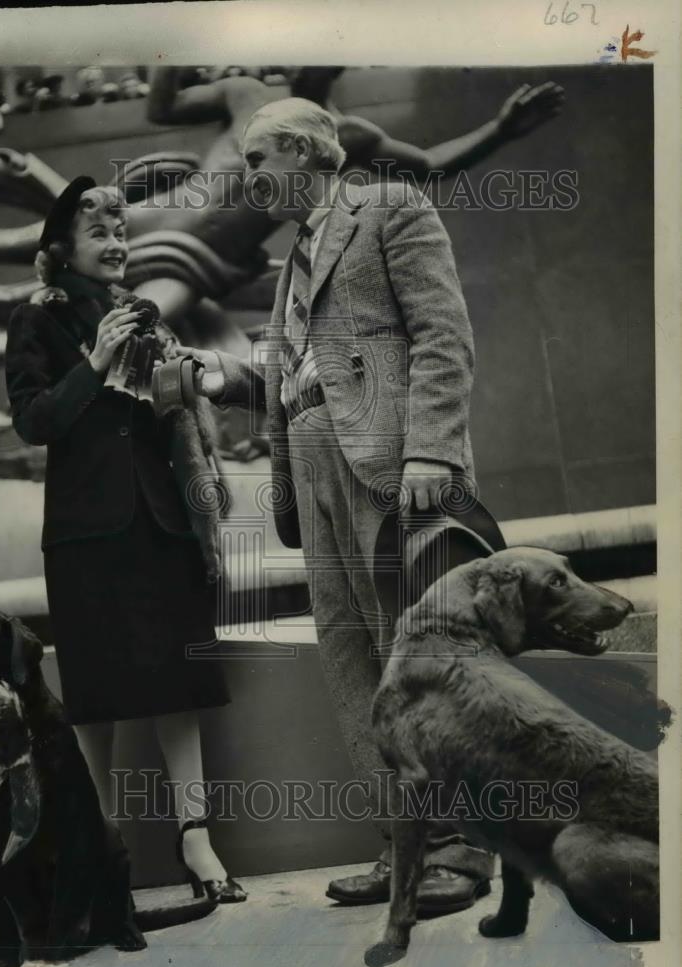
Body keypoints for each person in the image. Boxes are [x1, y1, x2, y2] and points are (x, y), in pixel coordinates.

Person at [179, 98, 495, 915]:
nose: (246, 177)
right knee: (354, 660)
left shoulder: (389, 206)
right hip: (313, 470)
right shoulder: (293, 257)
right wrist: (219, 374)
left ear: (308, 153)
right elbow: (294, 380)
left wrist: (432, 447)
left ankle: (462, 849)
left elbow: (442, 335)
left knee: (419, 654)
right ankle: (403, 850)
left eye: (256, 159)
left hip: (392, 466)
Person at [4, 175, 246, 903]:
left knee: (181, 685)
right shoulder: (36, 322)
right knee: (95, 697)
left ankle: (196, 842)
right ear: (61, 251)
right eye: (100, 235)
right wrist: (98, 362)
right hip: (85, 535)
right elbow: (35, 422)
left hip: (165, 525)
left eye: (122, 234)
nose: (117, 245)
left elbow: (176, 426)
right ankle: (99, 853)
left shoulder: (150, 320)